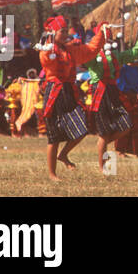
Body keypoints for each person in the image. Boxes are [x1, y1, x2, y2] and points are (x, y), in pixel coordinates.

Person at [38, 16, 106, 181]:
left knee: (82, 127)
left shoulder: (70, 49)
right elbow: (46, 60)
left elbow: (90, 50)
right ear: (53, 32)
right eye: (62, 31)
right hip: (54, 92)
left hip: (68, 91)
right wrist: (49, 46)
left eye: (65, 31)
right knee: (54, 136)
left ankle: (63, 155)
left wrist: (102, 33)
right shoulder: (48, 49)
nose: (65, 34)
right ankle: (52, 174)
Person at [85, 27, 138, 169]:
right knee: (104, 132)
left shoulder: (114, 54)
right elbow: (84, 60)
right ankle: (103, 166)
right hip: (100, 90)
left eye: (109, 37)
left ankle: (102, 144)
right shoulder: (92, 53)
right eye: (105, 37)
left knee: (126, 124)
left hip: (113, 91)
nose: (108, 40)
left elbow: (133, 53)